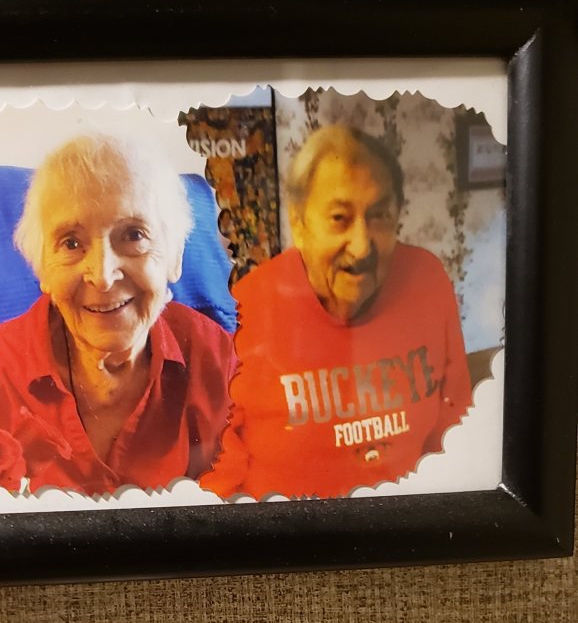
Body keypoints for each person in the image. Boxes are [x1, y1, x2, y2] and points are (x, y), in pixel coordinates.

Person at [0, 134, 235, 494]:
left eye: (133, 235)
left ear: (175, 256)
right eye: (71, 242)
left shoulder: (218, 359)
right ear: (42, 268)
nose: (103, 276)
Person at [200, 125, 472, 500]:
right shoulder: (244, 311)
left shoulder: (428, 281)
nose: (361, 247)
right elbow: (217, 480)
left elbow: (454, 422)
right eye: (339, 218)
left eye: (379, 215)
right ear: (300, 224)